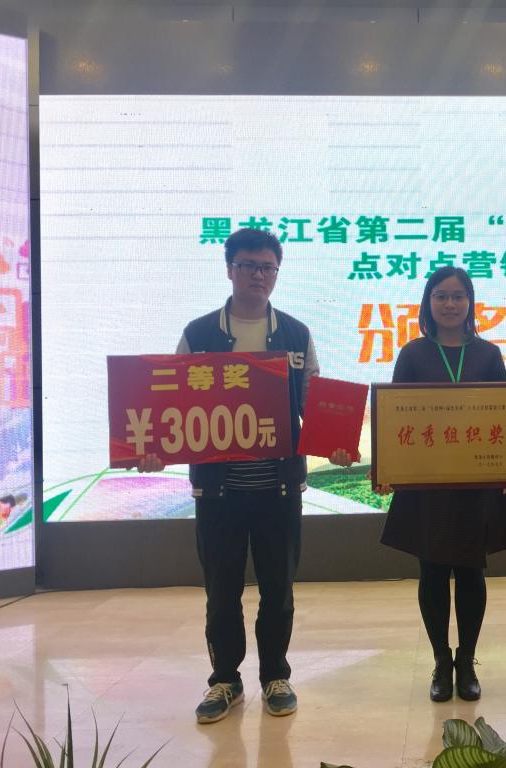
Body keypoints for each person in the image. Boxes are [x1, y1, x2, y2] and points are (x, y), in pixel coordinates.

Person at [138, 228, 353, 724]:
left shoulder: (296, 334)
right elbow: (172, 406)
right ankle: (225, 680)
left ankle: (276, 675)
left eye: (268, 267)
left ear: (277, 273)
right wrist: (153, 451)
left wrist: (336, 443)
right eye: (249, 265)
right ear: (229, 269)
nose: (259, 275)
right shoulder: (199, 334)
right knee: (222, 591)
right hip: (219, 490)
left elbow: (314, 403)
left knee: (279, 588)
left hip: (279, 488)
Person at [375, 266, 506, 702]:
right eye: (441, 296)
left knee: (472, 572)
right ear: (428, 303)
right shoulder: (412, 353)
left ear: (470, 303)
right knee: (433, 573)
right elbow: (395, 417)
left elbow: (505, 415)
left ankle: (467, 661)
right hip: (428, 486)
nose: (450, 304)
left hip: (475, 485)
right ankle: (441, 660)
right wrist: (388, 468)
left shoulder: (488, 355)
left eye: (458, 296)